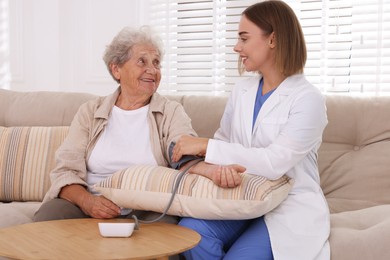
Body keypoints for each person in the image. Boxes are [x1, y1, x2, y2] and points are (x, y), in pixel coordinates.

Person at [33, 25, 244, 223]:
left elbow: (183, 152)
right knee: (49, 216)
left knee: (169, 231)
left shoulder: (171, 112)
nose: (152, 70)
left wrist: (214, 171)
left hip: (147, 207)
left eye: (156, 62)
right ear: (116, 70)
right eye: (142, 61)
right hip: (91, 202)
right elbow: (65, 171)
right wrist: (88, 203)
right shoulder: (90, 112)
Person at [171, 1, 330, 259]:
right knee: (191, 235)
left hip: (287, 206)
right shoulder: (241, 90)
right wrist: (219, 171)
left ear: (273, 40)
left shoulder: (307, 99)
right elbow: (226, 143)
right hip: (241, 197)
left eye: (244, 38)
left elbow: (274, 163)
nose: (237, 47)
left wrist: (205, 145)